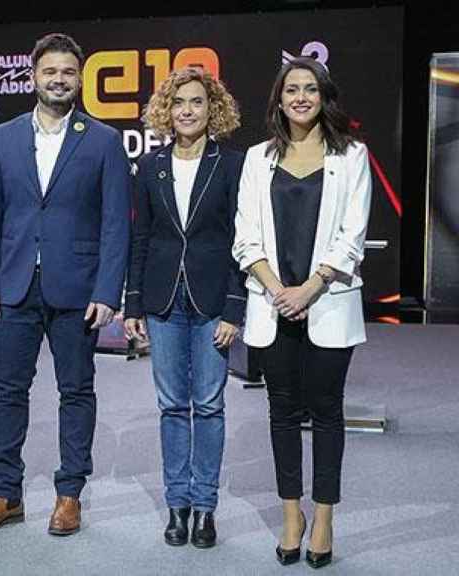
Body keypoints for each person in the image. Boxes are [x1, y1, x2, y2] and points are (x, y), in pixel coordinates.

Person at [0, 33, 131, 536]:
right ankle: (4, 493)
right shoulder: (3, 137)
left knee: (75, 391)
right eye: (49, 71)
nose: (59, 79)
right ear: (32, 76)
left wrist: (107, 291)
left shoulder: (102, 140)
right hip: (12, 287)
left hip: (77, 290)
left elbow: (115, 225)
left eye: (68, 73)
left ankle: (69, 495)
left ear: (79, 79)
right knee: (7, 391)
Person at [233, 57, 371, 569]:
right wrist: (278, 290)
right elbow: (245, 235)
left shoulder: (351, 155)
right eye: (291, 89)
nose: (300, 97)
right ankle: (291, 515)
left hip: (327, 303)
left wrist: (309, 288)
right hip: (272, 306)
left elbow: (351, 236)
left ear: (323, 95)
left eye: (309, 88)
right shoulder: (256, 158)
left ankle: (325, 517)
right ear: (279, 98)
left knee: (327, 413)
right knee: (281, 414)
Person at [124, 67, 246, 548]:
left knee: (210, 405)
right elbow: (140, 238)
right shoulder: (151, 166)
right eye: (179, 103)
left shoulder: (231, 164)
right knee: (172, 405)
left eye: (197, 102)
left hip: (215, 300)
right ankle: (178, 506)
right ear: (166, 112)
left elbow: (243, 240)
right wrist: (132, 302)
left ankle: (206, 508)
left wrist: (236, 308)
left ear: (212, 108)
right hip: (161, 301)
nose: (188, 111)